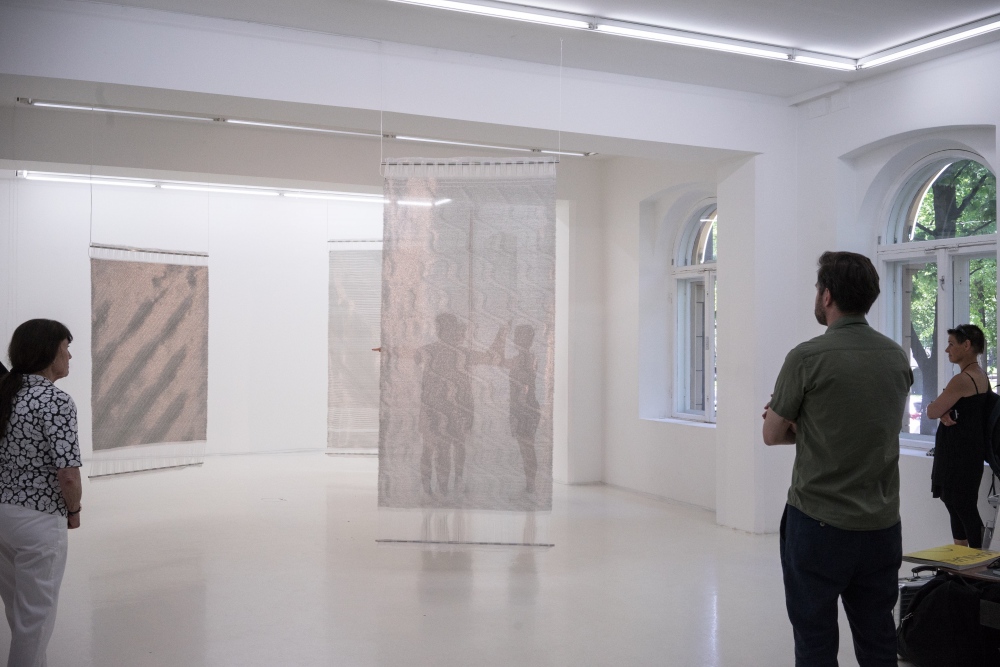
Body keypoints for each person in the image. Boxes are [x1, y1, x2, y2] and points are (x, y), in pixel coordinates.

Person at [762, 251, 912, 667]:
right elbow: (871, 429)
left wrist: (800, 424)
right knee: (878, 640)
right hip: (881, 525)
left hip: (819, 524)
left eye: (817, 289)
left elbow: (771, 435)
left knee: (815, 642)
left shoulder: (806, 357)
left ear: (827, 295)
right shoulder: (895, 356)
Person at [0, 319, 82, 667]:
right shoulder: (55, 401)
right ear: (49, 352)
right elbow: (68, 475)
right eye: (66, 348)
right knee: (35, 622)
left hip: (3, 517)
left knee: (20, 613)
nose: (70, 356)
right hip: (39, 522)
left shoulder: (6, 395)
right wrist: (74, 510)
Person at [924, 324, 990, 549]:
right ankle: (962, 558)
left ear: (967, 345)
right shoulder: (981, 375)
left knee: (961, 505)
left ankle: (977, 561)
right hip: (969, 452)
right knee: (956, 505)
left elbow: (932, 411)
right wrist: (945, 410)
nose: (947, 350)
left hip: (958, 455)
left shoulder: (963, 379)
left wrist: (938, 408)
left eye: (951, 344)